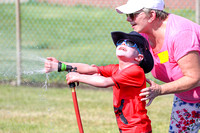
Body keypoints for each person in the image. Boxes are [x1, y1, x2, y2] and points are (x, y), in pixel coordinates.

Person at [115, 0, 200, 132]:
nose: (128, 19)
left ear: (152, 15)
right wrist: (92, 72)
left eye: (133, 14)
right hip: (187, 97)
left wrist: (160, 89)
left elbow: (195, 77)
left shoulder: (181, 34)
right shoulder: (143, 34)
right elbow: (129, 64)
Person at [45, 31, 154, 133]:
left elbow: (105, 82)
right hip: (126, 126)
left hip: (137, 128)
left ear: (139, 57)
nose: (124, 43)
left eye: (130, 43)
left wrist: (78, 77)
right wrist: (60, 65)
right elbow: (89, 69)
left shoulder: (135, 71)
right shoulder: (115, 68)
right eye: (120, 42)